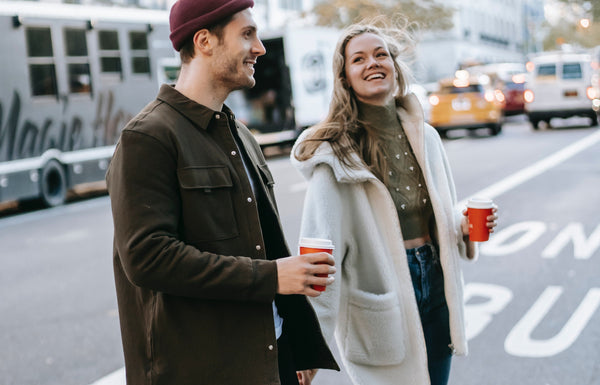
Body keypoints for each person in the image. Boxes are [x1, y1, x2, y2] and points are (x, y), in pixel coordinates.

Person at [105, 0, 339, 384]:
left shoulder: (241, 134)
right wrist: (272, 277)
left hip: (269, 360)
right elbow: (147, 257)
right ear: (204, 41)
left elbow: (261, 246)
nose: (260, 48)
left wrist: (294, 345)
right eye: (247, 34)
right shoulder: (147, 137)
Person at [291, 17, 498, 385]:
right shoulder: (334, 154)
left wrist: (464, 225)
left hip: (435, 282)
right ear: (345, 78)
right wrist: (307, 342)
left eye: (380, 54)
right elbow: (319, 255)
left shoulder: (427, 137)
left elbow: (440, 214)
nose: (372, 63)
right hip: (380, 295)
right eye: (358, 59)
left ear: (394, 65)